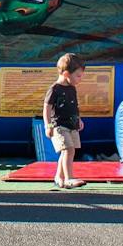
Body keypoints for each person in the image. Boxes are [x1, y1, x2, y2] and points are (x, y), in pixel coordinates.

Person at [44, 54, 86, 190]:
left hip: (71, 124)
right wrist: (48, 125)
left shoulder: (72, 88)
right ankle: (69, 178)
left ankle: (58, 177)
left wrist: (78, 119)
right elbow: (47, 108)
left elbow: (74, 105)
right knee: (68, 149)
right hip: (59, 125)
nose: (80, 79)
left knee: (67, 151)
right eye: (78, 76)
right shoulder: (54, 89)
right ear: (67, 73)